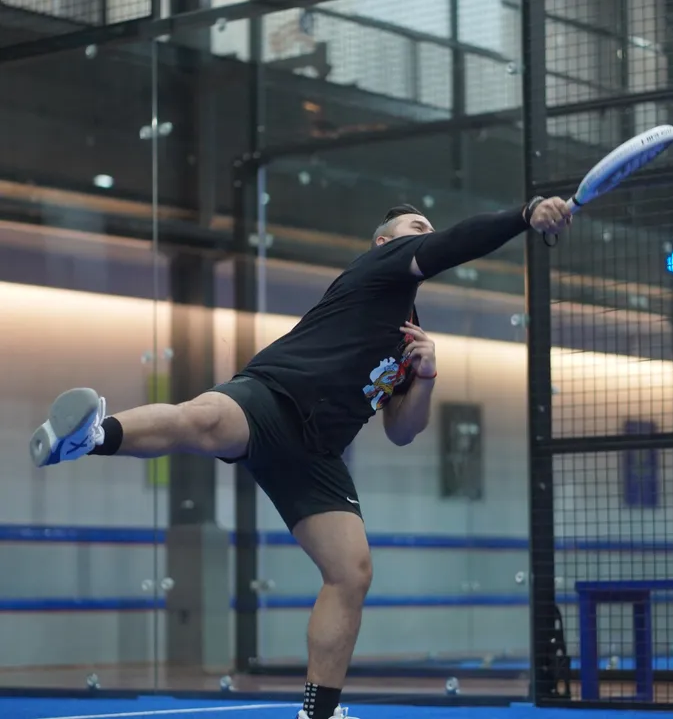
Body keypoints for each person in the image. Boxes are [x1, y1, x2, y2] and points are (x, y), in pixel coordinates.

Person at [29, 196, 571, 719]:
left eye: (428, 228)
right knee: (203, 421)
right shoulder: (379, 268)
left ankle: (317, 714)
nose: (427, 233)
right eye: (416, 228)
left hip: (318, 454)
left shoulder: (408, 337)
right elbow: (454, 243)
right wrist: (524, 215)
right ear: (384, 244)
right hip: (274, 399)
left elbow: (402, 432)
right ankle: (91, 437)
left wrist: (426, 375)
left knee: (351, 573)